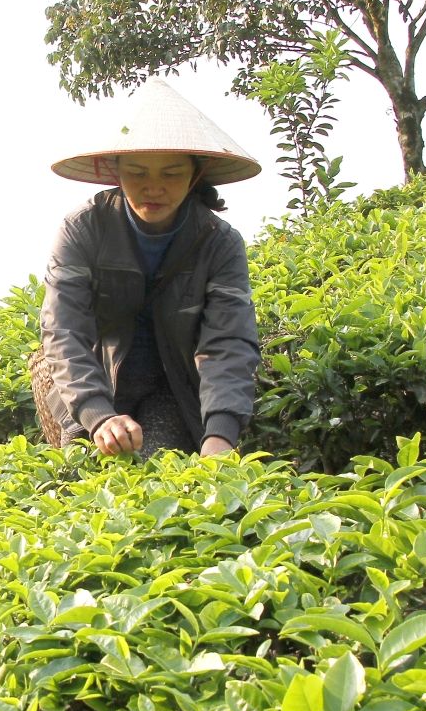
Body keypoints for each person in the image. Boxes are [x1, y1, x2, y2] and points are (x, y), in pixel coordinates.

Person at [35, 78, 261, 459]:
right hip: (92, 381)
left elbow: (229, 341)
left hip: (173, 385)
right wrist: (98, 416)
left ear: (195, 175)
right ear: (117, 171)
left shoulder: (218, 242)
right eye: (138, 173)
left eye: (171, 174)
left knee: (163, 467)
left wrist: (220, 433)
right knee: (84, 477)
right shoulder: (82, 230)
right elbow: (63, 330)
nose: (153, 188)